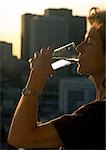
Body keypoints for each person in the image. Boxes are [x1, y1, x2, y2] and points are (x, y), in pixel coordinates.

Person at [8, 7, 106, 149]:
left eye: (89, 43)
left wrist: (36, 79)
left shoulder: (97, 115)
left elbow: (19, 137)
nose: (79, 48)